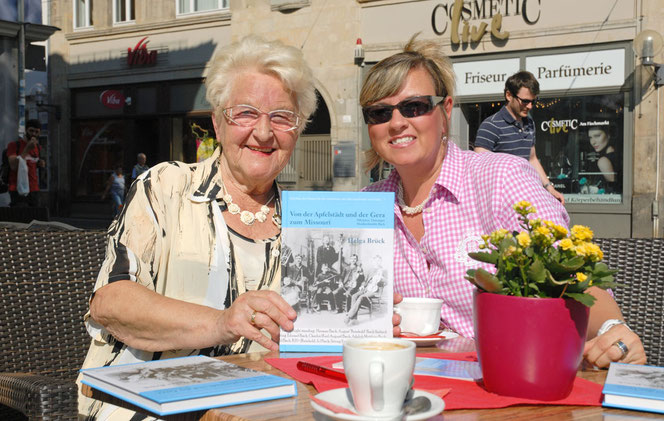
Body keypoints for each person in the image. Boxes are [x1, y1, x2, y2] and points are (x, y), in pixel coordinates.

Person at [360, 34, 645, 368]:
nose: (396, 122)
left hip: (508, 381)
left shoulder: (499, 178)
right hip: (401, 386)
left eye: (415, 107)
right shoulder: (366, 206)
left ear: (445, 109)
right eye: (379, 113)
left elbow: (569, 273)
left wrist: (613, 329)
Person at [77, 35, 320, 420]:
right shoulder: (167, 187)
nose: (263, 132)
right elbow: (110, 302)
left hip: (267, 407)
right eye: (245, 113)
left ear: (297, 130)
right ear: (218, 124)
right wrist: (222, 323)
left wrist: (361, 324)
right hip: (149, 407)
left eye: (281, 116)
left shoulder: (310, 222)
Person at [474, 71, 565, 204]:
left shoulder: (529, 123)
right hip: (501, 202)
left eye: (533, 101)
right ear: (509, 95)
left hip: (525, 197)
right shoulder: (490, 125)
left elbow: (532, 159)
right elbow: (479, 169)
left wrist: (549, 188)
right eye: (525, 101)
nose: (530, 106)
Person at [6, 119, 45, 207]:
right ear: (26, 130)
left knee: (35, 218)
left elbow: (32, 164)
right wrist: (27, 149)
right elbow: (13, 166)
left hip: (34, 189)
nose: (34, 134)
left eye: (36, 132)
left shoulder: (38, 147)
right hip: (17, 189)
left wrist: (40, 163)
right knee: (20, 218)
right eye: (31, 131)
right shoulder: (14, 145)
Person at [344, 255, 385, 324]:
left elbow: (387, 282)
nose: (377, 262)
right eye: (376, 260)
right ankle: (354, 319)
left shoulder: (383, 271)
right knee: (354, 296)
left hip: (374, 290)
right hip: (366, 288)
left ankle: (349, 316)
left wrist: (381, 280)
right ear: (373, 261)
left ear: (380, 262)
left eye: (379, 261)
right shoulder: (370, 270)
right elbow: (365, 281)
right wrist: (362, 286)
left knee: (361, 297)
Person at [586, 125, 621, 193]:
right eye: (590, 137)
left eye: (597, 136)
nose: (593, 142)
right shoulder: (616, 155)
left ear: (608, 135)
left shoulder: (603, 161)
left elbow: (613, 188)